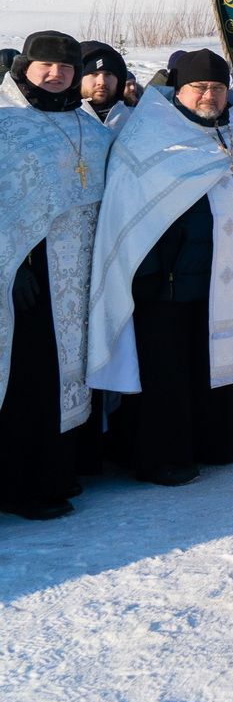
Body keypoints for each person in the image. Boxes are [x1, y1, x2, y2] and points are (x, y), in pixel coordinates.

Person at [87, 50, 233, 485]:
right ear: (177, 90)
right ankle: (162, 458)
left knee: (212, 365)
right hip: (163, 287)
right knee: (168, 376)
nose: (209, 96)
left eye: (218, 88)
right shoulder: (150, 138)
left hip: (224, 279)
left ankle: (215, 442)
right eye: (200, 88)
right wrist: (151, 276)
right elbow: (128, 217)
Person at [0, 31, 111, 519]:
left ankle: (64, 470)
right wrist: (11, 267)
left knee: (73, 372)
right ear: (25, 66)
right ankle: (22, 486)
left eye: (66, 68)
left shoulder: (90, 128)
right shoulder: (5, 123)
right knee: (31, 379)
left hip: (80, 274)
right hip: (25, 275)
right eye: (45, 65)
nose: (55, 74)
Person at [77, 40, 131, 131]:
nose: (101, 82)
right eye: (94, 74)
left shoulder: (132, 120)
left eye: (108, 74)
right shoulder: (61, 120)